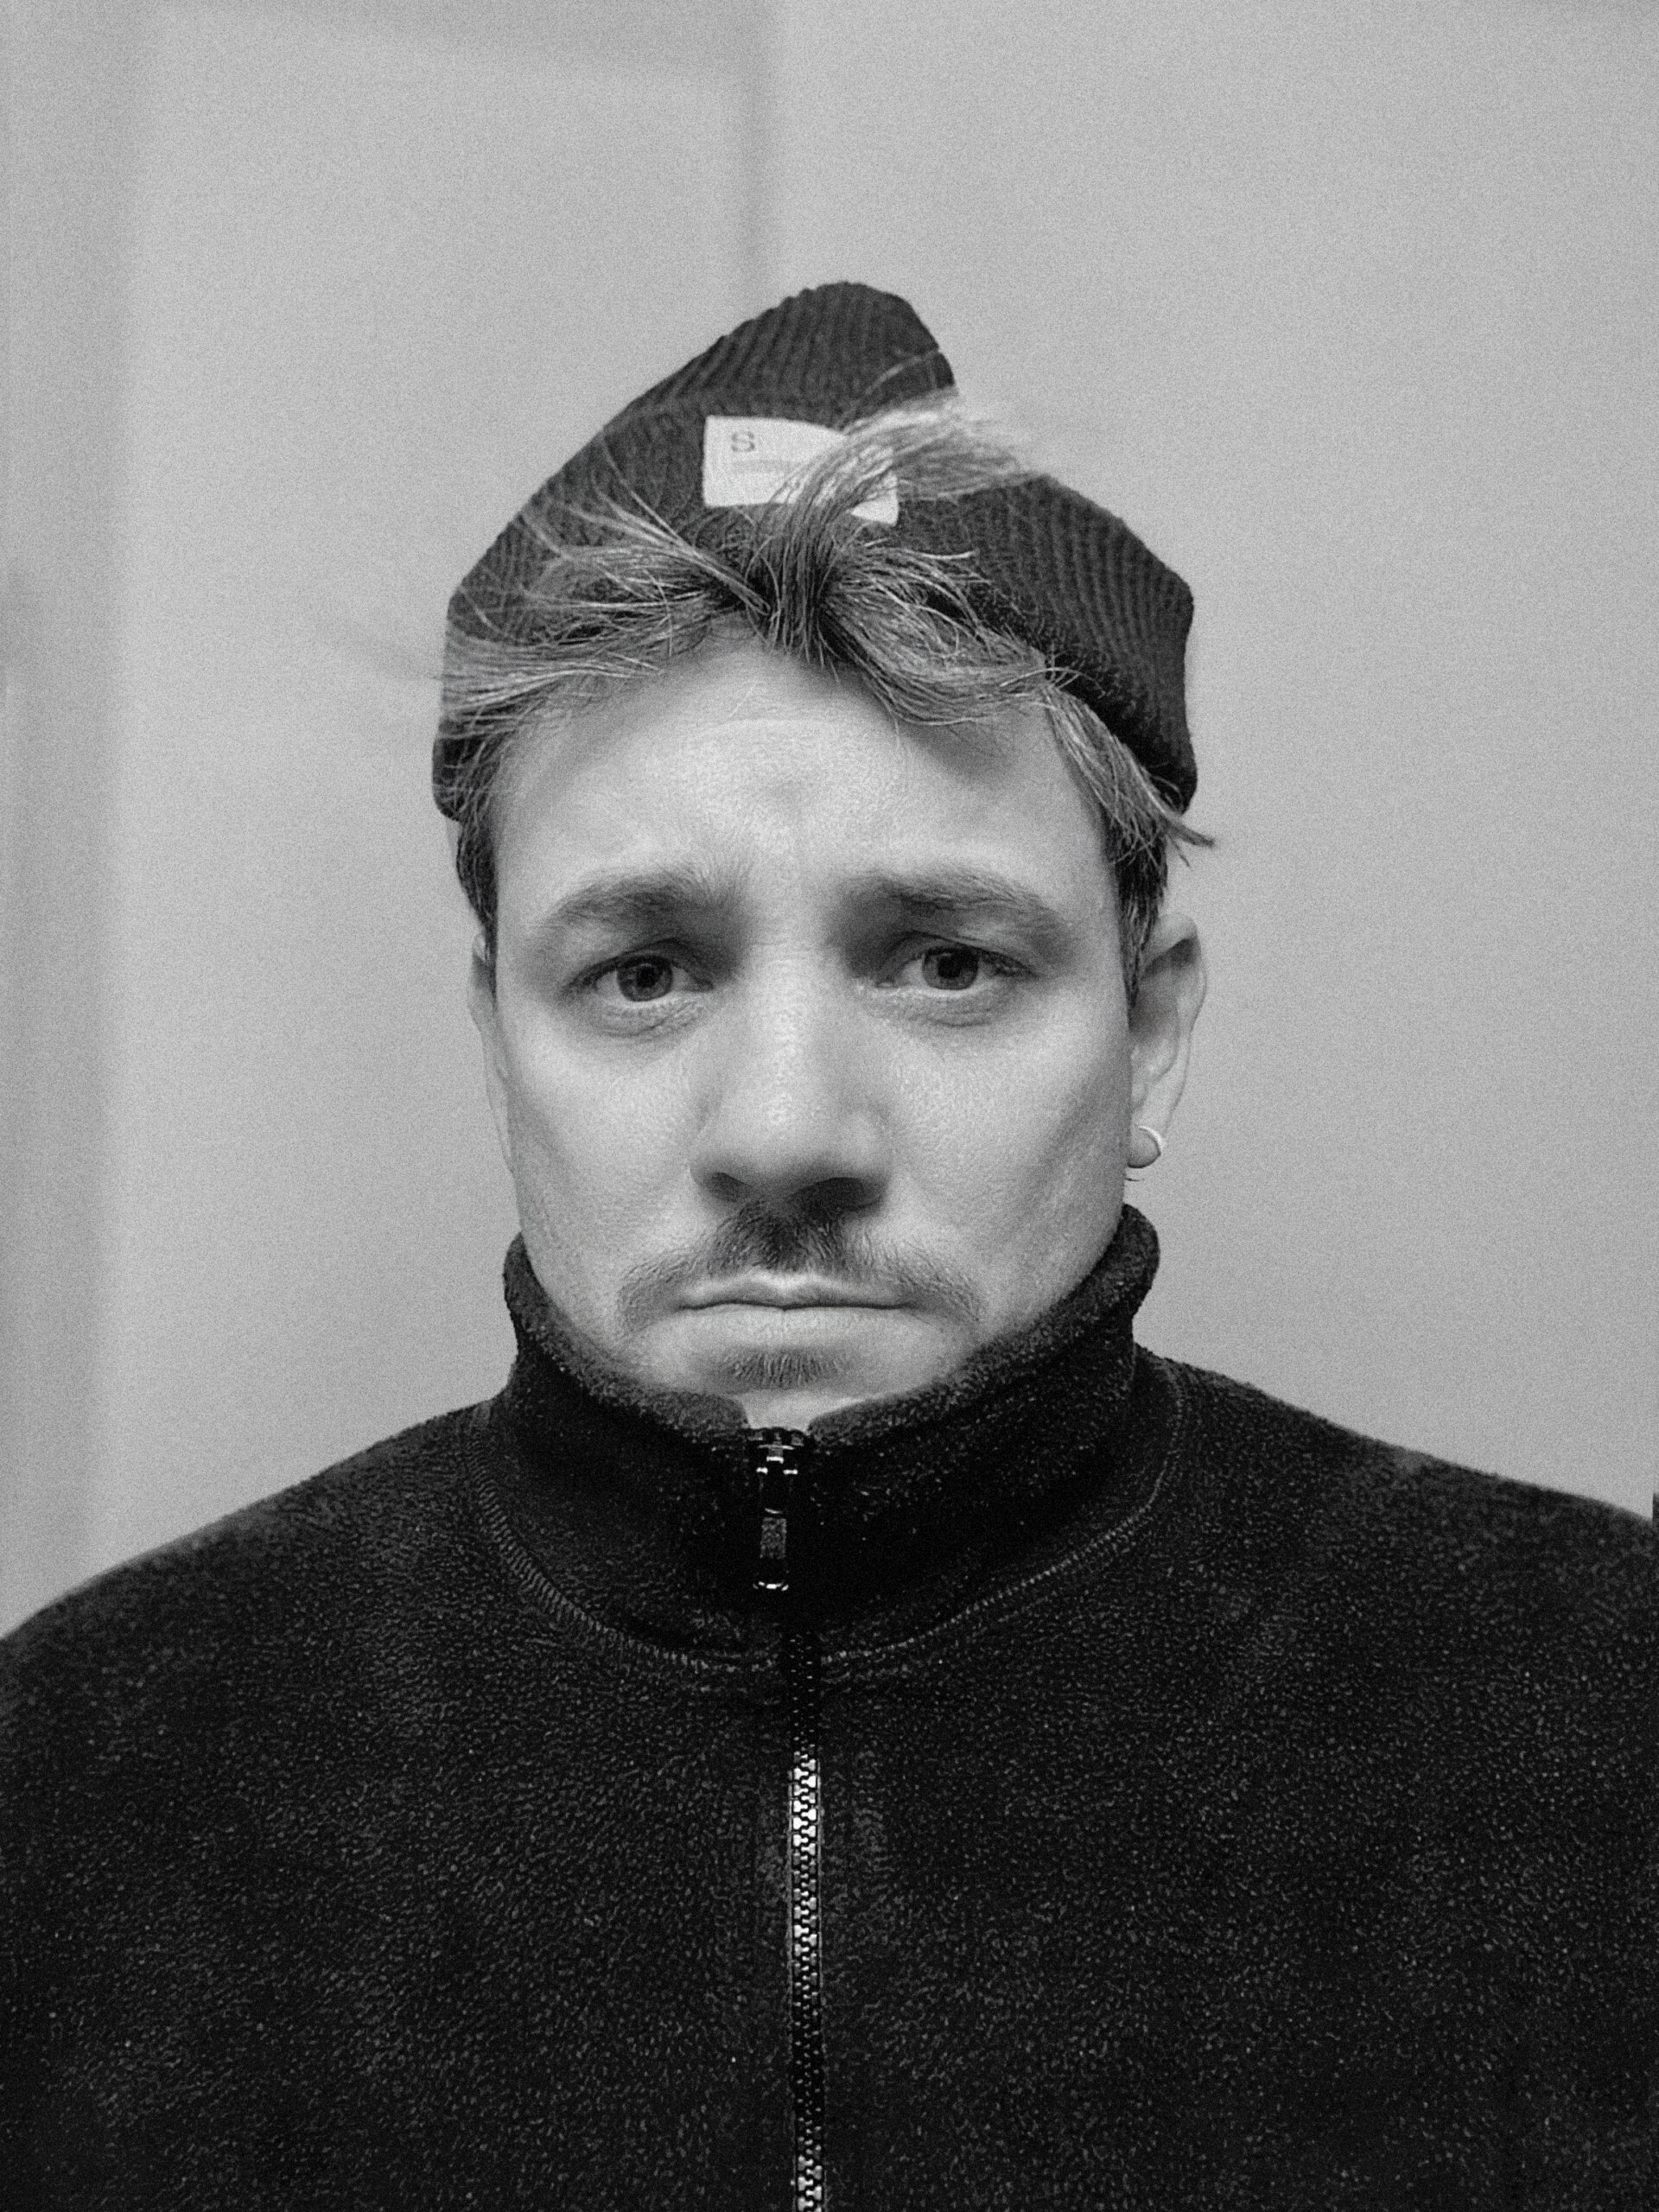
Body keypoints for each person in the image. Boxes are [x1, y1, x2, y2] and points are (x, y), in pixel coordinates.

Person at [2, 283, 1652, 2209]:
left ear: (1151, 1034)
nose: (786, 1133)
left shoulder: (1600, 1722)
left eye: (946, 961)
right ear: (497, 1037)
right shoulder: (84, 1780)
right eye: (644, 971)